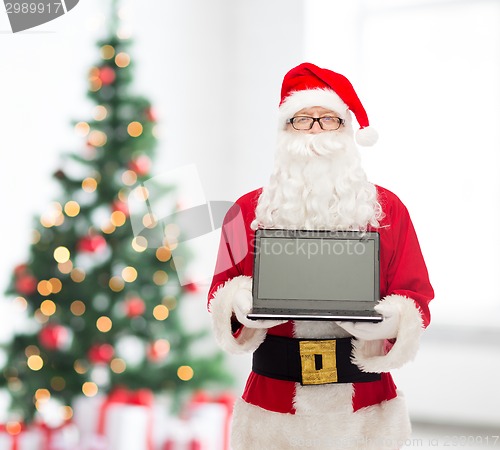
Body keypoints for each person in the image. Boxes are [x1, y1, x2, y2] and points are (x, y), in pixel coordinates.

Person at [208, 62, 434, 450]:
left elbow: (417, 296)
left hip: (364, 410)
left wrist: (387, 322)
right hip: (272, 410)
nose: (315, 130)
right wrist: (240, 304)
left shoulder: (388, 210)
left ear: (346, 129)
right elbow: (219, 294)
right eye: (302, 119)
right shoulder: (242, 211)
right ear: (284, 131)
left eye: (328, 119)